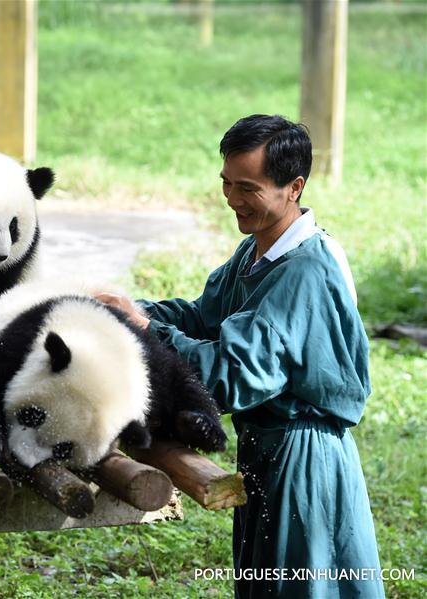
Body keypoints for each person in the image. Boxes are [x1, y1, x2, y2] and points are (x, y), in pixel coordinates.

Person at [98, 114, 383, 598]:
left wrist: (148, 331)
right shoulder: (257, 251)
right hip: (266, 451)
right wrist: (128, 313)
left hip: (304, 463)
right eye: (226, 183)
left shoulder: (306, 272)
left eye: (247, 187)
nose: (232, 199)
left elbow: (232, 374)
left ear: (294, 187)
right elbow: (203, 317)